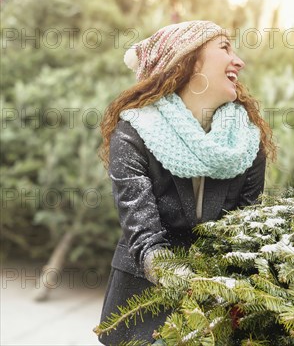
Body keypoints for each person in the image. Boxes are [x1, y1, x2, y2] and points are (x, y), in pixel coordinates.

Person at [96, 20, 276, 345]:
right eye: (224, 48)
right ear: (189, 61)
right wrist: (188, 283)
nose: (239, 61)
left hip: (219, 312)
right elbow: (144, 238)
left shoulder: (246, 142)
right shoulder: (134, 134)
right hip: (141, 306)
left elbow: (244, 236)